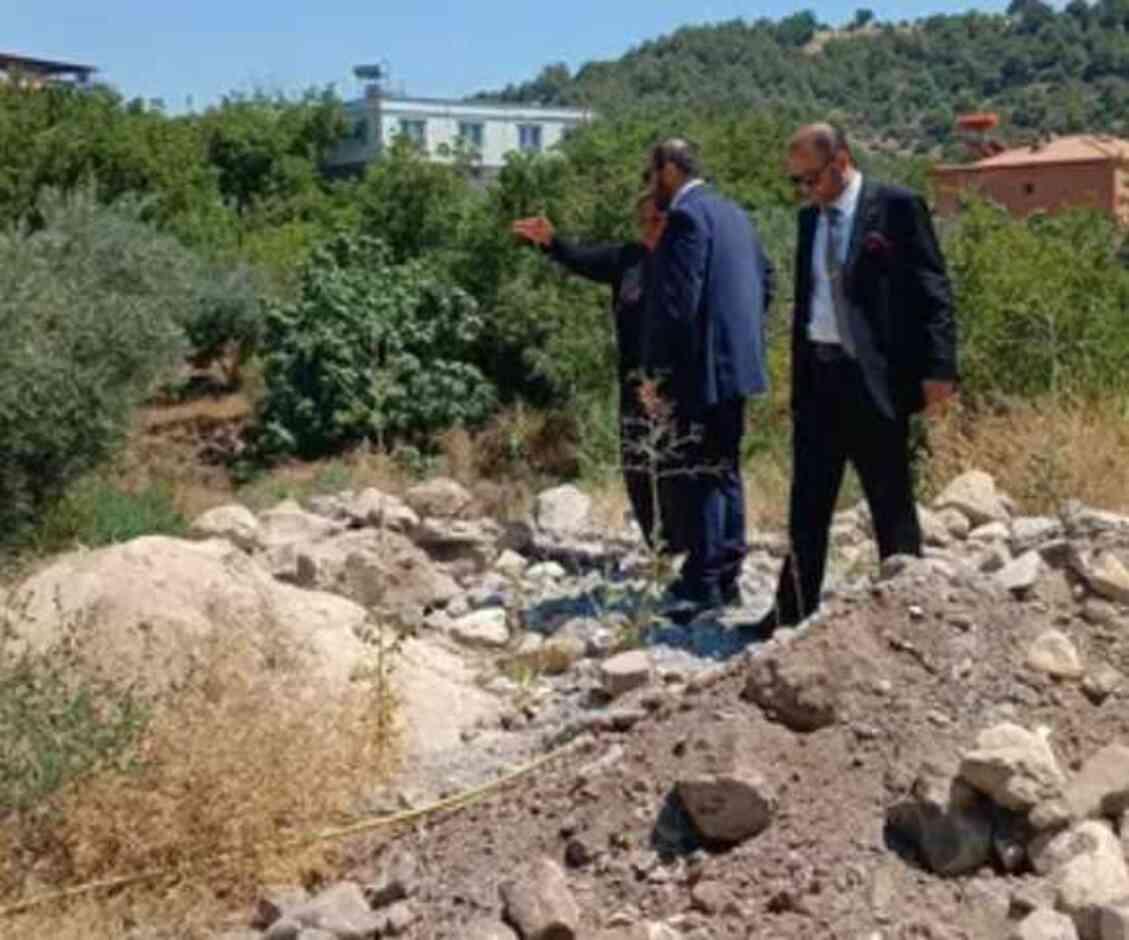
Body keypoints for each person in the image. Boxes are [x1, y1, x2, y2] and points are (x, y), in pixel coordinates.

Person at [746, 122, 957, 641]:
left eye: (809, 179)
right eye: (796, 182)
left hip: (876, 379)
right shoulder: (807, 220)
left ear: (840, 162)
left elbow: (934, 291)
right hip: (820, 376)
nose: (803, 190)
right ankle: (792, 609)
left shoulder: (897, 207)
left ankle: (909, 606)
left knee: (889, 496)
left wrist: (939, 371)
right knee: (808, 501)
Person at [641, 138, 776, 619]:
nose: (650, 185)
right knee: (725, 469)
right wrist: (740, 338)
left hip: (700, 370)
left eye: (651, 174)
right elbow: (768, 280)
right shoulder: (736, 214)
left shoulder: (686, 217)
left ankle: (701, 583)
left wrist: (656, 374)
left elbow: (679, 304)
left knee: (698, 473)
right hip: (738, 366)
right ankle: (726, 575)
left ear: (671, 169)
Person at [511, 193, 684, 552]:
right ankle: (660, 547)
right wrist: (550, 242)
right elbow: (581, 258)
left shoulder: (687, 261)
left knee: (676, 462)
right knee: (636, 463)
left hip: (679, 381)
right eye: (644, 222)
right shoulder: (629, 259)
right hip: (635, 380)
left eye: (658, 221)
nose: (651, 230)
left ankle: (690, 545)